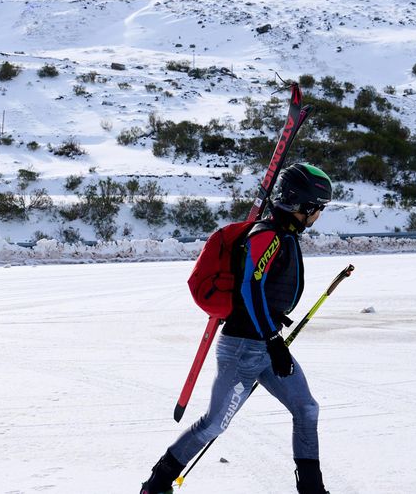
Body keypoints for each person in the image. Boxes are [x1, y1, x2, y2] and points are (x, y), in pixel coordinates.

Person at [141, 163, 334, 494]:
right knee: (214, 423)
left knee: (306, 408)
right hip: (244, 348)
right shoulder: (268, 235)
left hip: (266, 345)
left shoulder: (283, 235)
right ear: (303, 205)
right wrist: (273, 340)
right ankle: (156, 484)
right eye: (317, 209)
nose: (318, 216)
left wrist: (273, 341)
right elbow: (250, 287)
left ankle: (312, 490)